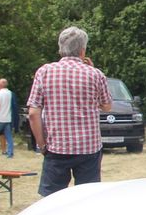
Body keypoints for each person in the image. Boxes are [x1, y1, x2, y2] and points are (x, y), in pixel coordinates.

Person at [28, 26, 111, 196]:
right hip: (88, 147)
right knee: (87, 199)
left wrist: (42, 144)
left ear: (60, 49)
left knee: (50, 201)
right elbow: (107, 106)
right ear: (83, 50)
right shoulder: (95, 74)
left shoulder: (44, 72)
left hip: (56, 146)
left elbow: (33, 113)